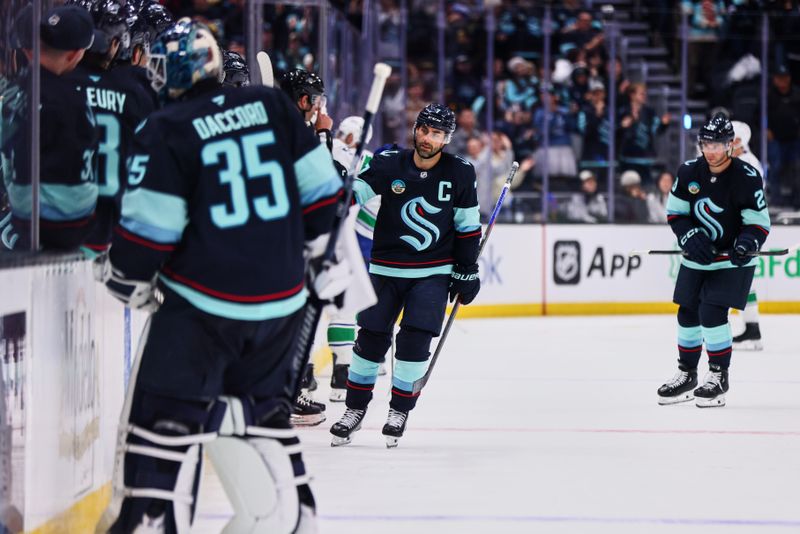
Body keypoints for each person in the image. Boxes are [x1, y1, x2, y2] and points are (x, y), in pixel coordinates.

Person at [95, 19, 345, 532]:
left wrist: (126, 277)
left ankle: (149, 518)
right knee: (264, 417)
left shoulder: (169, 127)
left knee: (163, 423)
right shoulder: (273, 106)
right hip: (281, 303)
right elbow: (323, 199)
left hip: (203, 307)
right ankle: (293, 514)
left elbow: (148, 235)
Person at [329, 103, 482, 448]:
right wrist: (337, 184)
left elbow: (468, 228)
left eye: (437, 133)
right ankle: (354, 410)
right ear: (416, 129)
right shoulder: (388, 164)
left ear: (447, 138)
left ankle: (399, 410)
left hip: (432, 273)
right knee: (369, 340)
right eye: (425, 130)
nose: (428, 138)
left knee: (414, 343)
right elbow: (354, 195)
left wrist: (467, 268)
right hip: (385, 269)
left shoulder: (459, 172)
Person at [657, 112, 770, 408]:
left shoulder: (746, 176)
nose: (711, 151)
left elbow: (758, 223)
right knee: (687, 312)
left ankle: (719, 376)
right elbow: (676, 213)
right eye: (706, 144)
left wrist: (746, 243)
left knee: (712, 312)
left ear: (730, 144)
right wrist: (689, 237)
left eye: (718, 145)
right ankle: (687, 373)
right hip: (696, 259)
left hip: (732, 261)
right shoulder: (688, 172)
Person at [2, 4, 100, 251]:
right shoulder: (74, 97)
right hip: (73, 224)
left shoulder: (21, 91)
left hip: (34, 220)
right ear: (75, 54)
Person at [67, 0, 159, 256]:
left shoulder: (56, 84)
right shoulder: (135, 93)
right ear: (117, 44)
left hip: (61, 227)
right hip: (114, 231)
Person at [279, 67, 339, 424]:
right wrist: (324, 137)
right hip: (288, 243)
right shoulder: (297, 133)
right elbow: (323, 182)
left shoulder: (276, 125)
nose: (319, 106)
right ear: (304, 99)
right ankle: (283, 394)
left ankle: (289, 389)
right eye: (315, 99)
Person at [730, 119, 765, 350]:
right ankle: (752, 329)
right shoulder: (742, 161)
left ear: (739, 141)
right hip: (742, 227)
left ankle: (750, 330)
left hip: (744, 229)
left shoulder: (746, 164)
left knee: (734, 279)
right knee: (745, 280)